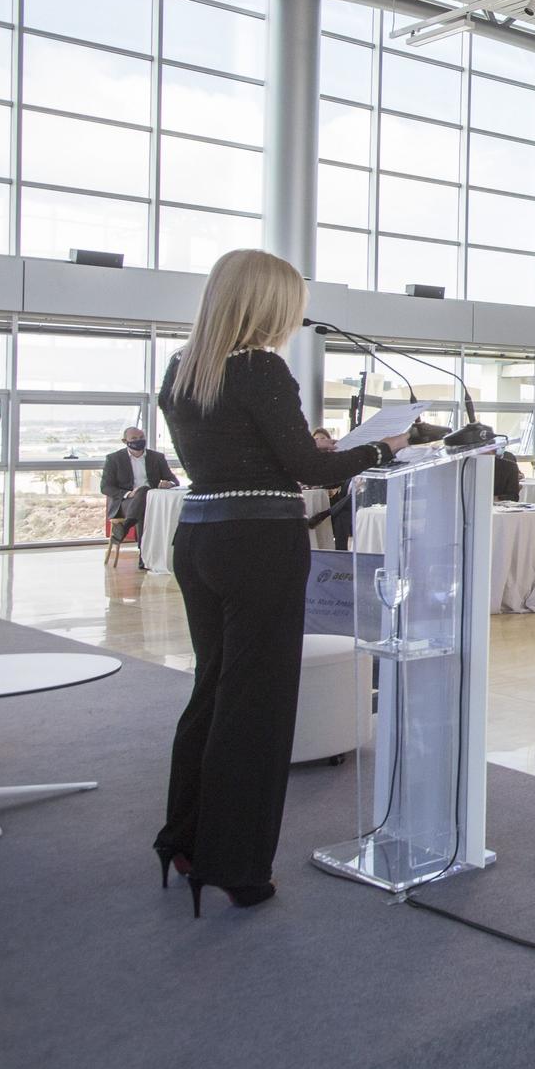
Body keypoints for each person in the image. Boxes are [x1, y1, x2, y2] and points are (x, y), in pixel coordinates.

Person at [155, 249, 410, 916]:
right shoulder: (261, 369)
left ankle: (183, 840)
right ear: (268, 303)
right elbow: (308, 467)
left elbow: (229, 456)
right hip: (259, 543)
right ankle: (236, 864)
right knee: (257, 704)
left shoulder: (181, 370)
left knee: (211, 686)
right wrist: (385, 448)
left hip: (201, 536)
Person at [100, 425, 179, 565]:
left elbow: (174, 481)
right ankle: (144, 558)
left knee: (145, 499)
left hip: (152, 500)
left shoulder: (157, 457)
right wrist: (129, 494)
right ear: (125, 441)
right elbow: (105, 487)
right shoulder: (114, 459)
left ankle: (125, 528)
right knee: (143, 499)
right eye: (134, 438)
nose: (139, 440)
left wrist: (169, 484)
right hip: (125, 502)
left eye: (141, 438)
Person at [306, 428, 355, 549]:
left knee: (342, 511)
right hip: (337, 503)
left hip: (342, 501)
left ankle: (325, 514)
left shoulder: (336, 460)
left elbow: (340, 479)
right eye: (316, 439)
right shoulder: (309, 461)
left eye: (323, 438)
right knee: (340, 514)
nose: (320, 441)